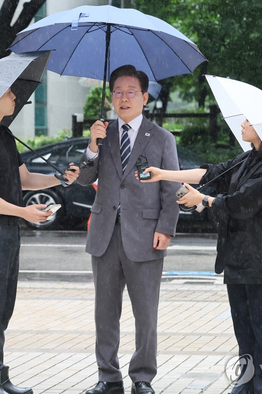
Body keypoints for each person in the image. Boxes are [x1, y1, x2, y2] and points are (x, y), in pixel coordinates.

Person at [138, 120, 262, 394]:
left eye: (249, 120)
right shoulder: (247, 158)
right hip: (237, 256)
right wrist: (164, 174)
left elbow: (241, 203)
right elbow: (212, 174)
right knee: (244, 329)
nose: (243, 123)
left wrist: (204, 200)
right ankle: (247, 385)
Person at [0, 87, 80, 394]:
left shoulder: (3, 134)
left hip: (7, 230)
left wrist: (60, 178)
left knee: (3, 307)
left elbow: (24, 179)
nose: (15, 98)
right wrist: (23, 211)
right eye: (9, 93)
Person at [78, 65, 180, 394]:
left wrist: (167, 227)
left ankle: (142, 377)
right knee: (104, 312)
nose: (123, 98)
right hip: (105, 234)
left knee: (145, 312)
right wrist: (92, 146)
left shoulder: (162, 138)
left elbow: (172, 188)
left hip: (146, 236)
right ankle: (108, 377)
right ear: (111, 97)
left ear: (144, 97)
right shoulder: (102, 134)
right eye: (118, 92)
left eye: (130, 92)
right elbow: (83, 178)